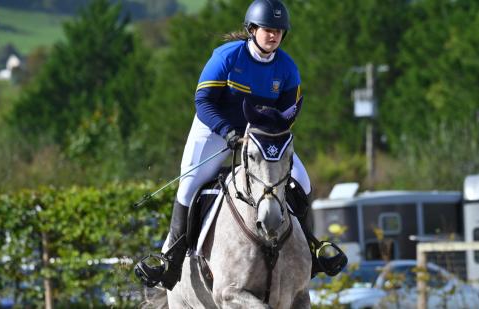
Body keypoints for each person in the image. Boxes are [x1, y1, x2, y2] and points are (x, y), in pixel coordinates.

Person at [134, 0, 346, 291]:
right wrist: (229, 132)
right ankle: (170, 259)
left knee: (303, 181)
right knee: (190, 184)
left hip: (260, 137)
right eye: (268, 30)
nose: (273, 36)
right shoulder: (227, 56)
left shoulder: (286, 67)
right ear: (252, 29)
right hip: (214, 129)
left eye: (279, 31)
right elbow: (203, 102)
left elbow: (289, 112)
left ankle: (313, 251)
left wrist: (269, 135)